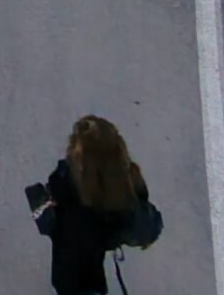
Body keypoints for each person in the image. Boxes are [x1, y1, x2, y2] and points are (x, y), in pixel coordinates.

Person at [36, 116, 161, 295]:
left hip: (70, 269)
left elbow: (52, 193)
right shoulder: (127, 187)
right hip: (94, 255)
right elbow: (148, 228)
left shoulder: (66, 186)